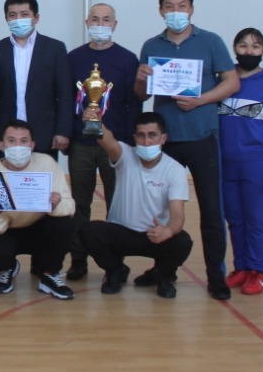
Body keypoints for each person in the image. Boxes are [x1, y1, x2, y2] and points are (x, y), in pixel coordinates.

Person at [134, 0, 240, 300]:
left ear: (191, 9)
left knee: (211, 210)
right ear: (160, 10)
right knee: (161, 210)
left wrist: (201, 100)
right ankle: (163, 271)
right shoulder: (151, 45)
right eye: (169, 6)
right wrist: (141, 79)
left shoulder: (211, 41)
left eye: (181, 6)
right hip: (166, 141)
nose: (176, 12)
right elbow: (142, 95)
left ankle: (215, 275)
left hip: (203, 137)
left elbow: (232, 82)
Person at [80, 113, 194, 299]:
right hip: (121, 233)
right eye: (141, 135)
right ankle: (115, 270)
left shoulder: (175, 170)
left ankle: (162, 275)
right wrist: (94, 121)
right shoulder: (125, 155)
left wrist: (168, 231)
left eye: (152, 135)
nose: (146, 142)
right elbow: (107, 140)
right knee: (88, 231)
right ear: (134, 138)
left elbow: (178, 216)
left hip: (154, 235)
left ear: (163, 138)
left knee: (183, 242)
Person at [66, 2, 139, 280]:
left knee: (116, 203)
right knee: (79, 204)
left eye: (106, 20)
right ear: (87, 23)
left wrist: (129, 143)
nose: (100, 24)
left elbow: (134, 104)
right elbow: (65, 98)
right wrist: (71, 128)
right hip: (81, 143)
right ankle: (78, 259)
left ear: (114, 25)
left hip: (115, 145)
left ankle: (114, 263)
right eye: (95, 19)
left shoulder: (127, 59)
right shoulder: (73, 58)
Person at [218, 28, 263, 296]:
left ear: (262, 51)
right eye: (243, 45)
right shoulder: (223, 80)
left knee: (257, 220)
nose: (249, 50)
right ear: (234, 48)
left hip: (258, 163)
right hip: (226, 164)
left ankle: (257, 271)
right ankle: (241, 267)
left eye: (255, 46)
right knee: (235, 219)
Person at [0, 120, 76, 300]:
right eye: (11, 141)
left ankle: (49, 274)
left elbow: (70, 206)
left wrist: (54, 206)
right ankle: (7, 268)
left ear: (32, 145)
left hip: (40, 227)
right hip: (9, 230)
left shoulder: (47, 163)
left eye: (23, 141)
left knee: (64, 225)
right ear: (1, 145)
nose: (18, 147)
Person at [0, 0, 73, 160]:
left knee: (44, 176)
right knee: (5, 177)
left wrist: (63, 131)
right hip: (5, 136)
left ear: (36, 18)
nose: (18, 19)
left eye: (24, 14)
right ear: (6, 18)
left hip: (45, 134)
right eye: (12, 15)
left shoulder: (55, 48)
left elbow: (65, 94)